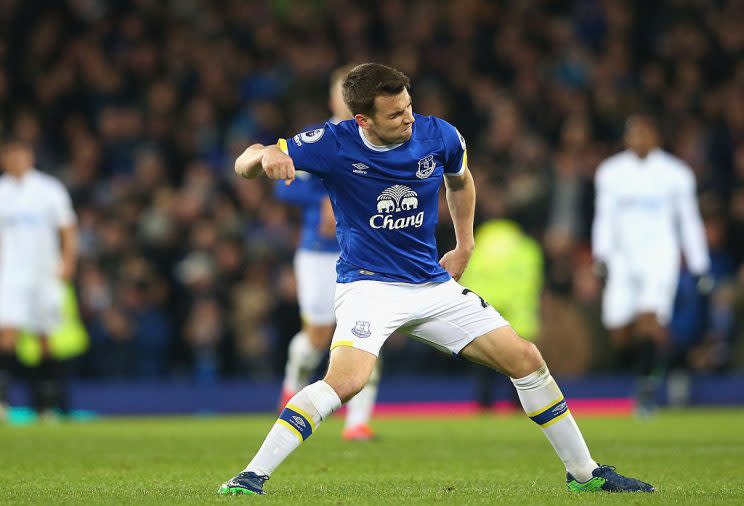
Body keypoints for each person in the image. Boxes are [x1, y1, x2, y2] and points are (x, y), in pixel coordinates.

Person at [221, 63, 654, 495]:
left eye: (408, 107)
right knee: (346, 381)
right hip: (369, 287)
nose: (408, 118)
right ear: (362, 120)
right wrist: (266, 154)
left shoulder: (440, 135)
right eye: (394, 115)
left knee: (526, 358)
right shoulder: (333, 143)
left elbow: (461, 182)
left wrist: (464, 245)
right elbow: (245, 162)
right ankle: (250, 476)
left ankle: (584, 474)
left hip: (432, 286)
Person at [274, 65, 380, 441]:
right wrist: (321, 199)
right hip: (319, 252)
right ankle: (294, 377)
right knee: (317, 336)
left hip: (366, 251)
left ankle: (358, 422)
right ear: (334, 98)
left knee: (367, 333)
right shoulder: (316, 139)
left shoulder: (381, 138)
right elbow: (282, 185)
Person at [592, 113, 711, 417]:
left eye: (645, 133)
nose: (640, 139)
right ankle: (658, 369)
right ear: (627, 138)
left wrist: (699, 265)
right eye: (634, 133)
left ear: (656, 136)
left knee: (650, 319)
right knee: (619, 330)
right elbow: (604, 217)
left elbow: (689, 220)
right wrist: (601, 256)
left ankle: (645, 391)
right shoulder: (610, 172)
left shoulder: (676, 173)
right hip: (622, 258)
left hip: (660, 256)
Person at [0, 139, 78, 421]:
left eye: (20, 156)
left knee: (45, 337)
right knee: (6, 333)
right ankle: (3, 402)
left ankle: (47, 405)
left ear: (30, 158)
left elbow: (67, 227)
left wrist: (68, 261)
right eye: (10, 157)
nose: (16, 161)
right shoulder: (2, 191)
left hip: (44, 272)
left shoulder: (48, 190)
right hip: (9, 274)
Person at [459, 219, 543, 410]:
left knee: (483, 369)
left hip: (482, 318)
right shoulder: (526, 248)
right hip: (519, 320)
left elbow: (465, 281)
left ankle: (484, 406)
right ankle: (523, 408)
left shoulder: (475, 247)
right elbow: (532, 283)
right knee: (522, 371)